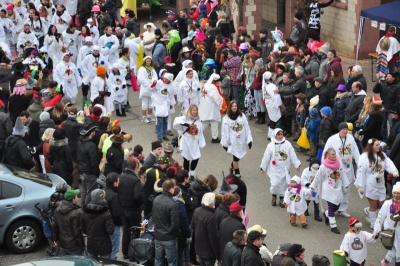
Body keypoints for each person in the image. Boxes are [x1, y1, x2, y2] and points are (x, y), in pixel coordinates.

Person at [355, 138, 399, 228]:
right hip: (370, 184)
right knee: (373, 205)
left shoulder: (382, 155)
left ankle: (368, 211)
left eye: (379, 144)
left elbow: (388, 163)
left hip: (381, 183)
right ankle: (373, 223)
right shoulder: (364, 157)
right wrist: (360, 185)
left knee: (381, 205)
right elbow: (360, 171)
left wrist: (394, 171)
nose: (379, 146)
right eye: (377, 145)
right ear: (371, 146)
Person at [323, 122, 360, 217]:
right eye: (343, 129)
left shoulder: (351, 138)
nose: (345, 131)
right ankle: (333, 207)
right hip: (336, 169)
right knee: (337, 189)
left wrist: (360, 164)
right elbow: (325, 152)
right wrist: (324, 166)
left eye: (346, 129)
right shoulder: (332, 139)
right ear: (339, 130)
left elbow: (355, 151)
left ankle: (342, 208)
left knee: (346, 189)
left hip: (348, 168)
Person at [310, 148, 350, 234]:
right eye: (332, 154)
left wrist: (345, 185)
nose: (334, 155)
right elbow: (318, 177)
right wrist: (312, 187)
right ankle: (333, 226)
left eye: (335, 154)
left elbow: (343, 174)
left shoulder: (339, 164)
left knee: (337, 206)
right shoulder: (323, 166)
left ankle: (326, 213)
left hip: (337, 188)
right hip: (328, 189)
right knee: (331, 207)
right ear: (327, 155)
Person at [260, 128, 301, 207]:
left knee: (283, 184)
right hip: (274, 169)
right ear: (275, 135)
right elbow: (266, 157)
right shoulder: (270, 146)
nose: (280, 136)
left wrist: (297, 165)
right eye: (278, 135)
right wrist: (263, 167)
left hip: (284, 169)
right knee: (274, 184)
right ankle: (274, 195)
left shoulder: (288, 144)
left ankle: (282, 198)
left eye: (281, 134)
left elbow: (292, 155)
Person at [118, 157, 143, 260]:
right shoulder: (135, 179)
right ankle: (133, 254)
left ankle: (125, 252)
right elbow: (137, 196)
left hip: (123, 208)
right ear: (135, 166)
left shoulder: (121, 176)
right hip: (133, 210)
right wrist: (141, 202)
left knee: (126, 231)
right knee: (135, 232)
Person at [221, 100, 253, 177]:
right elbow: (224, 131)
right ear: (230, 107)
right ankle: (237, 173)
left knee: (238, 155)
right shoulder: (226, 118)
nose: (234, 107)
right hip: (231, 141)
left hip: (240, 140)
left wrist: (249, 140)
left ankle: (232, 166)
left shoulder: (242, 116)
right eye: (232, 106)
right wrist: (226, 142)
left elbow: (246, 127)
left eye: (235, 106)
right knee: (235, 156)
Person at [173, 105, 206, 179]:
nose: (194, 112)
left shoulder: (198, 120)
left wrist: (200, 142)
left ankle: (192, 173)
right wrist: (186, 124)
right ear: (190, 111)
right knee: (186, 158)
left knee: (196, 157)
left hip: (194, 142)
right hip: (186, 142)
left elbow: (200, 132)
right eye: (193, 110)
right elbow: (176, 122)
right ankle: (186, 175)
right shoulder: (185, 118)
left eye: (196, 110)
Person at [152, 179, 180, 266]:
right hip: (169, 237)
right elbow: (175, 224)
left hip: (158, 236)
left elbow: (154, 217)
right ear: (171, 189)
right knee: (171, 262)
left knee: (158, 260)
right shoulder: (173, 204)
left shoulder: (156, 199)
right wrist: (175, 234)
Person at [81, 189, 114, 259]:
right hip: (104, 245)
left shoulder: (85, 212)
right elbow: (110, 231)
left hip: (91, 244)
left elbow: (83, 229)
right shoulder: (106, 213)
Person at [374, 182, 400, 266]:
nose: (396, 195)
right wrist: (376, 231)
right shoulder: (387, 203)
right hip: (390, 232)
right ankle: (385, 262)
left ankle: (385, 262)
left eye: (398, 193)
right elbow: (380, 217)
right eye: (394, 193)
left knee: (397, 252)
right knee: (394, 251)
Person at [192, 192, 220, 265]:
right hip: (208, 252)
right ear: (211, 203)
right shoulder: (211, 217)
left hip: (199, 248)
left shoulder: (196, 210)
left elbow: (193, 227)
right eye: (214, 201)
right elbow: (213, 237)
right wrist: (218, 253)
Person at [77, 120, 101, 207]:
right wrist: (97, 174)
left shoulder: (80, 143)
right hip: (89, 173)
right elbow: (94, 163)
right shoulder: (91, 146)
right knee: (90, 192)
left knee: (84, 190)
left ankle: (83, 207)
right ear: (91, 133)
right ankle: (87, 209)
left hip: (82, 171)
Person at [373, 73, 399, 143]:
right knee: (383, 126)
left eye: (389, 76)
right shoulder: (383, 85)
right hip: (384, 108)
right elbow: (375, 90)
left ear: (393, 78)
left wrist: (395, 111)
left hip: (391, 110)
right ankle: (384, 141)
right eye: (387, 76)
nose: (387, 77)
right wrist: (378, 83)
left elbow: (398, 100)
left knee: (392, 127)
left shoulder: (397, 87)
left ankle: (393, 142)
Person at [150, 72, 175, 142]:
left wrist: (171, 104)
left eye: (166, 79)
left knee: (165, 120)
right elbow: (151, 89)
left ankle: (164, 135)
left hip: (166, 105)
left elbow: (171, 95)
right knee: (160, 121)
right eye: (164, 78)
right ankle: (159, 136)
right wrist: (153, 84)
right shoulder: (159, 83)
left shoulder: (171, 85)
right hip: (158, 104)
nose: (164, 80)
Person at [199, 73, 223, 143]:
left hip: (210, 107)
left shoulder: (209, 85)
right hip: (212, 107)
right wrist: (220, 104)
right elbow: (215, 98)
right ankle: (196, 133)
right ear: (217, 81)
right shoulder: (212, 87)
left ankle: (214, 137)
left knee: (211, 122)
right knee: (209, 121)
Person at [172, 186, 191, 266]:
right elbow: (184, 222)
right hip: (179, 235)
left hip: (168, 234)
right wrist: (188, 236)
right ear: (180, 194)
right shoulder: (180, 205)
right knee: (180, 254)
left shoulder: (169, 202)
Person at [262, 71, 282, 140]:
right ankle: (274, 135)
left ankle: (270, 134)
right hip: (273, 104)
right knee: (276, 119)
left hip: (268, 104)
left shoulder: (264, 85)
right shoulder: (272, 86)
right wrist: (279, 104)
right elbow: (275, 96)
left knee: (272, 119)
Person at [137, 56, 158, 123]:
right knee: (145, 103)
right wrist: (148, 85)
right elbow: (141, 78)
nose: (148, 62)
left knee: (151, 104)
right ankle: (144, 117)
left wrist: (153, 82)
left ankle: (149, 116)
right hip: (145, 88)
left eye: (149, 61)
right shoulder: (142, 69)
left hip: (152, 88)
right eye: (147, 61)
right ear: (145, 62)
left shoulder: (152, 69)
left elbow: (155, 77)